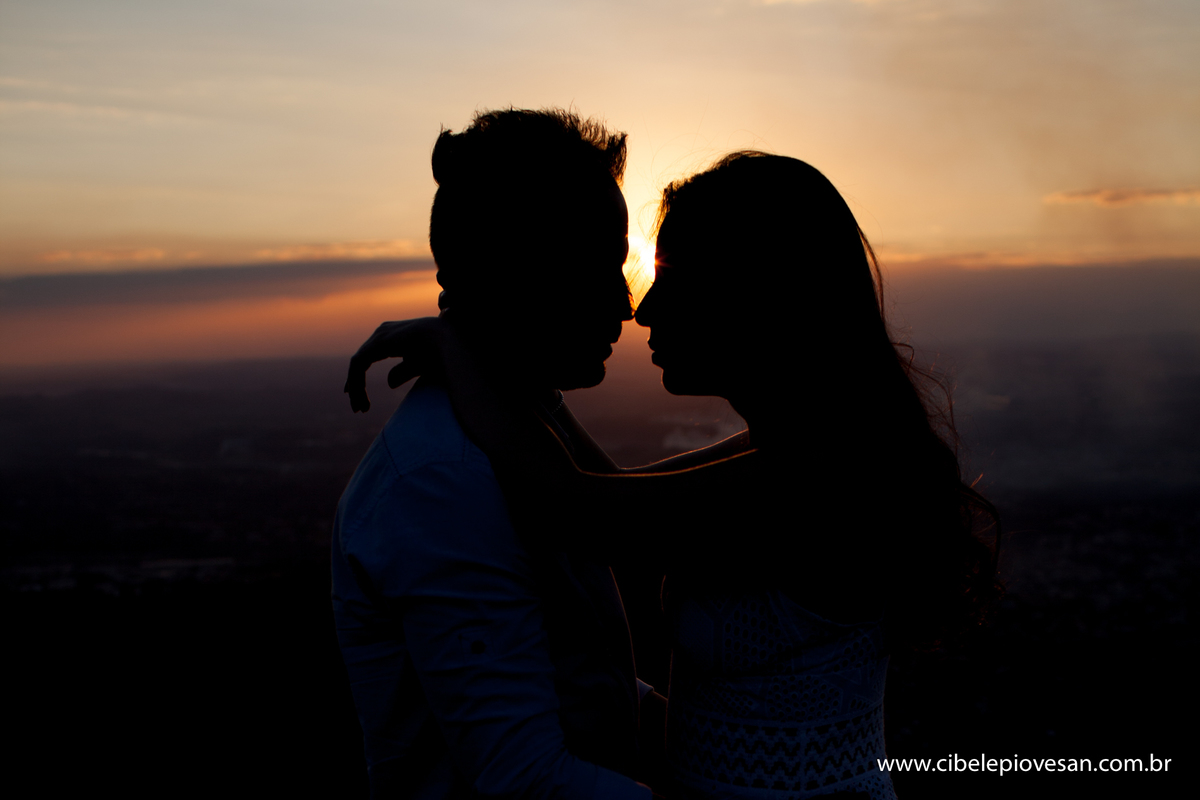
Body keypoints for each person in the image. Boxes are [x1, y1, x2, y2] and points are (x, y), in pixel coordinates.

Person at [347, 152, 1001, 799]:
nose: (645, 308)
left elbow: (586, 511)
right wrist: (521, 383)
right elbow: (611, 491)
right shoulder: (805, 451)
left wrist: (457, 348)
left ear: (757, 297)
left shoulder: (820, 476)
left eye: (673, 277)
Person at [332, 108, 662, 800]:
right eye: (600, 266)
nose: (626, 304)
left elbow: (568, 669)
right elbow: (524, 779)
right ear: (518, 275)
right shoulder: (442, 483)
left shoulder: (517, 432)